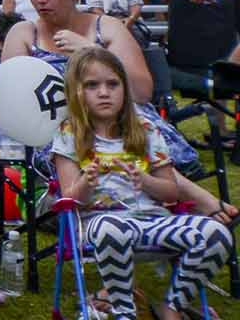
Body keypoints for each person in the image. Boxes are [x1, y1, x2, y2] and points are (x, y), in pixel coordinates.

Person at [52, 45, 236, 320]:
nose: (104, 92)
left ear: (124, 89)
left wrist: (145, 180)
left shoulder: (147, 131)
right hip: (100, 223)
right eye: (92, 85)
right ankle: (124, 310)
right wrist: (86, 182)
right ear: (77, 92)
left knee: (216, 232)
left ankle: (172, 307)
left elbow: (171, 191)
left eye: (113, 84)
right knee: (109, 227)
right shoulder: (70, 135)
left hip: (152, 221)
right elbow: (68, 199)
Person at [2, 0, 198, 167]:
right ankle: (202, 200)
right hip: (54, 134)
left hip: (118, 126)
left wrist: (91, 51)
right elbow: (12, 104)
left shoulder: (106, 27)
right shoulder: (24, 34)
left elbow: (141, 92)